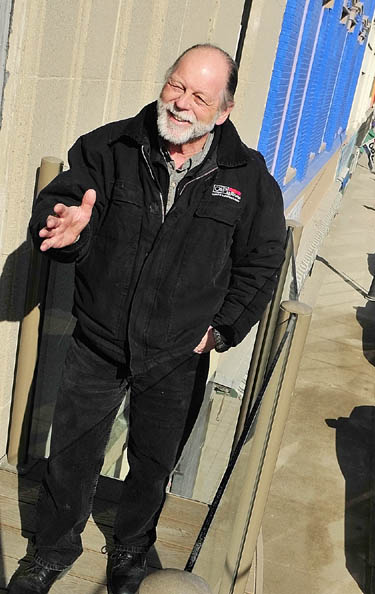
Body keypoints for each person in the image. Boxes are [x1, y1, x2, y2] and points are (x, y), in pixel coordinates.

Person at [9, 44, 286, 594]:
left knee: (154, 463)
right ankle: (53, 549)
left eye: (199, 96)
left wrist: (223, 328)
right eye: (175, 86)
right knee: (70, 451)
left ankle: (131, 550)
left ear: (224, 111)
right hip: (98, 339)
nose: (182, 103)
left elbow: (263, 259)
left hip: (180, 353)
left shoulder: (248, 179)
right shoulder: (109, 147)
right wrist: (63, 223)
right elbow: (63, 202)